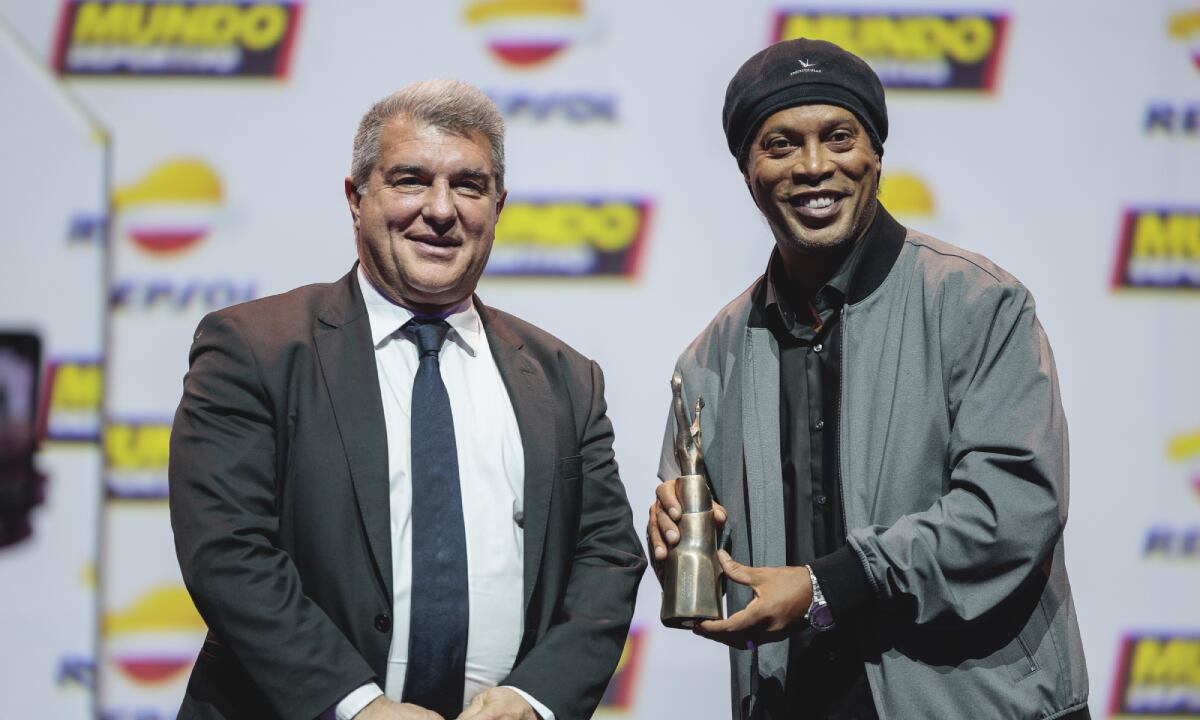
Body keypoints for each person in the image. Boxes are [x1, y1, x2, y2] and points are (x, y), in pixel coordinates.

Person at [169, 79, 645, 720]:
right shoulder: (254, 348)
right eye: (411, 180)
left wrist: (536, 699)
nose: (441, 210)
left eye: (469, 185)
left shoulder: (566, 377)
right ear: (355, 197)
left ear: (498, 205)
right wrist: (358, 706)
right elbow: (228, 550)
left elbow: (608, 556)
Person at [646, 38, 1090, 719]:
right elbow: (731, 580)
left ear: (876, 154)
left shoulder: (977, 303)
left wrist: (829, 586)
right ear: (747, 170)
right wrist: (684, 549)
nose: (815, 167)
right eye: (782, 145)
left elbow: (1012, 512)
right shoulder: (709, 359)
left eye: (839, 137)